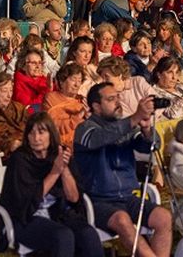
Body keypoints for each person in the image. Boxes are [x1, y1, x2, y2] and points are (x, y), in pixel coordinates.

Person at [73, 83, 172, 257]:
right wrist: (134, 118)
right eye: (111, 99)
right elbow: (102, 138)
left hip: (128, 197)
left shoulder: (125, 125)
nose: (118, 102)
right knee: (122, 219)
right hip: (97, 201)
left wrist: (147, 128)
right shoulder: (84, 129)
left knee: (164, 217)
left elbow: (153, 146)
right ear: (96, 106)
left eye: (118, 97)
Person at [0, 112, 102, 257]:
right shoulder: (20, 159)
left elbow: (74, 198)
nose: (36, 138)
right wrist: (55, 171)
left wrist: (64, 168)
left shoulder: (59, 154)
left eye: (41, 132)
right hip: (25, 218)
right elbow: (27, 202)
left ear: (51, 134)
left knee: (87, 234)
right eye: (31, 133)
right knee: (62, 236)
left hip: (56, 213)